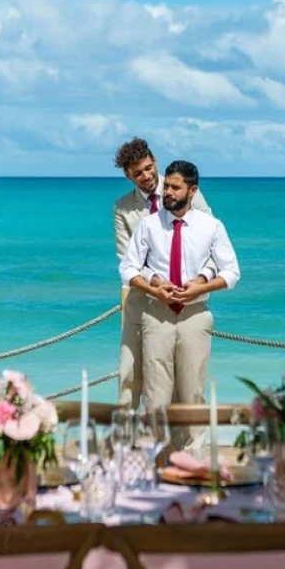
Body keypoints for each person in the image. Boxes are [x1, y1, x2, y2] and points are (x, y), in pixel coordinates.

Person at [119, 160, 239, 423]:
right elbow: (128, 268)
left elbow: (231, 272)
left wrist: (202, 286)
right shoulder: (148, 225)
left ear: (192, 191)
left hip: (195, 315)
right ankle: (159, 458)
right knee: (155, 396)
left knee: (192, 395)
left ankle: (192, 460)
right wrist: (155, 287)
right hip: (156, 314)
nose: (168, 192)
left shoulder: (211, 226)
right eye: (167, 187)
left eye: (175, 187)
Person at [112, 138, 212, 408]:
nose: (145, 177)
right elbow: (127, 259)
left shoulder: (186, 191)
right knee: (130, 375)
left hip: (183, 301)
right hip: (140, 300)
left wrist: (199, 282)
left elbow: (208, 238)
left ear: (154, 160)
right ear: (127, 175)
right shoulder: (122, 208)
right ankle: (127, 442)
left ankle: (179, 446)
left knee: (183, 380)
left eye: (147, 168)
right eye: (137, 173)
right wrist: (155, 284)